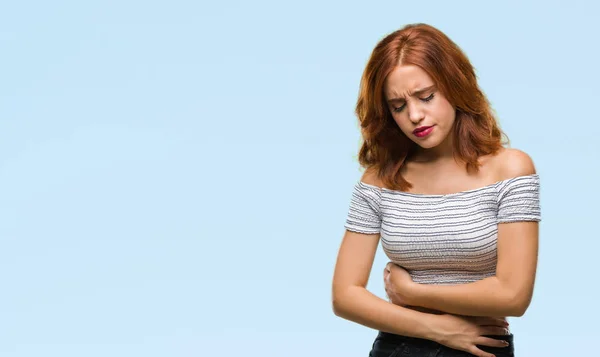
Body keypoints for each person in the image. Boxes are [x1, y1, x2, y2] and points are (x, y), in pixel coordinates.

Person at [331, 23, 541, 357]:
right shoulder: (379, 181)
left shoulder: (510, 170)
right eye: (398, 106)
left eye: (426, 96)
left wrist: (412, 292)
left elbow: (513, 296)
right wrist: (440, 330)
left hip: (480, 348)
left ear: (455, 85)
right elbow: (344, 296)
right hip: (397, 347)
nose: (415, 115)